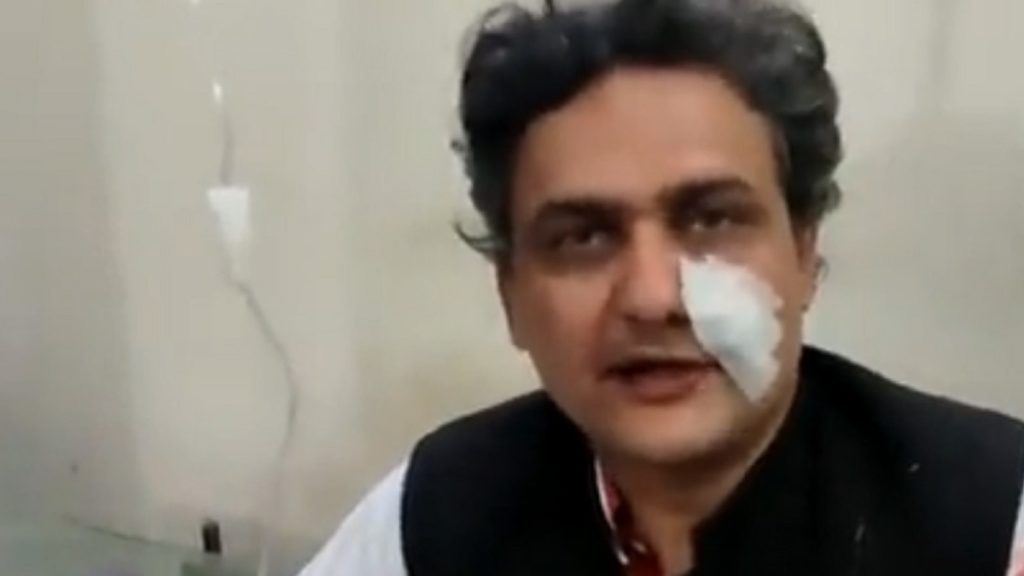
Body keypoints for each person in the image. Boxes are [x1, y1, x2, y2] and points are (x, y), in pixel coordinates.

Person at [300, 0, 1024, 574]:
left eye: (712, 220)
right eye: (583, 238)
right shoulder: (433, 522)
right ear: (511, 294)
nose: (653, 298)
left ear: (804, 253)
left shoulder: (990, 525)